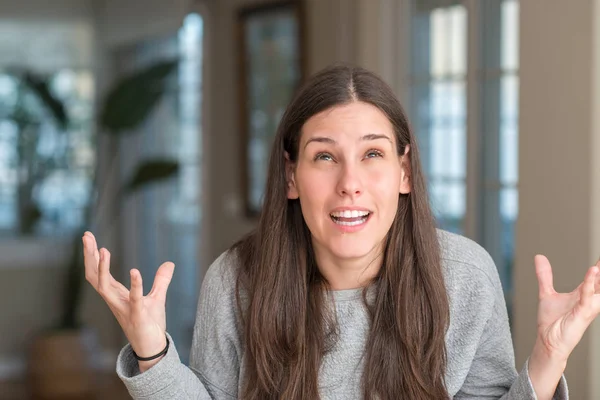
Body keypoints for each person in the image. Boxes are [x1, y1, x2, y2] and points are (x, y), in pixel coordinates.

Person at [82, 64, 600, 399]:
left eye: (372, 154)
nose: (349, 183)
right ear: (291, 176)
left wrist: (546, 358)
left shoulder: (464, 276)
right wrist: (151, 350)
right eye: (324, 156)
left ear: (402, 171)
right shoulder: (237, 280)